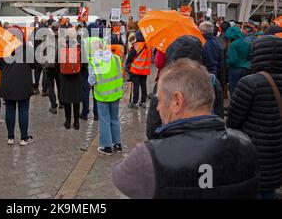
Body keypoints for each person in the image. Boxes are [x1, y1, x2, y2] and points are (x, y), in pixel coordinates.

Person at [112, 58, 259, 199]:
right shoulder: (245, 144)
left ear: (177, 101)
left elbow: (119, 176)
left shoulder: (149, 157)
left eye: (160, 100)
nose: (157, 107)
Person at [227, 36, 282, 199]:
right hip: (277, 149)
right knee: (269, 189)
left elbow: (233, 120)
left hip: (252, 150)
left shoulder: (250, 83)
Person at [146, 36, 224, 140]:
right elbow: (219, 117)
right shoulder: (211, 80)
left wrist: (157, 146)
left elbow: (153, 122)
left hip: (172, 143)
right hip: (206, 142)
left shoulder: (166, 82)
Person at [0, 26, 35, 146]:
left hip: (8, 83)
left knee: (9, 110)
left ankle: (10, 137)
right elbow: (34, 65)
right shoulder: (27, 49)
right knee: (23, 110)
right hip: (24, 82)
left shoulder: (4, 49)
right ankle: (24, 138)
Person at [88, 38, 124, 155]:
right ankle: (117, 144)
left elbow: (92, 80)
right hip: (116, 93)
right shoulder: (116, 58)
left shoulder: (94, 61)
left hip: (102, 95)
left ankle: (107, 146)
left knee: (104, 120)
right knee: (115, 118)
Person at [58, 28, 83, 130]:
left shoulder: (63, 45)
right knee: (76, 100)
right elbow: (84, 62)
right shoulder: (79, 46)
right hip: (76, 76)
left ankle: (68, 122)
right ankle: (76, 122)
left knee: (67, 100)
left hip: (65, 76)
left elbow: (57, 60)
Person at [39, 22, 63, 114]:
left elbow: (40, 52)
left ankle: (53, 106)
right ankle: (61, 103)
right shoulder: (62, 39)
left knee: (50, 87)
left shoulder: (46, 38)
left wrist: (43, 64)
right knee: (60, 85)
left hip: (48, 66)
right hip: (59, 66)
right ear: (58, 27)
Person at [125, 31, 151, 109]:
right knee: (143, 86)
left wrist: (127, 64)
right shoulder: (148, 46)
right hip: (145, 69)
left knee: (135, 86)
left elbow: (130, 57)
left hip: (136, 69)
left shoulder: (136, 46)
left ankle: (134, 102)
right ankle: (143, 102)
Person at [225, 26, 251, 96]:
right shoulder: (247, 42)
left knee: (234, 91)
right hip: (247, 68)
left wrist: (226, 61)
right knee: (245, 90)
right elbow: (250, 56)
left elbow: (233, 60)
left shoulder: (233, 44)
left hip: (235, 70)